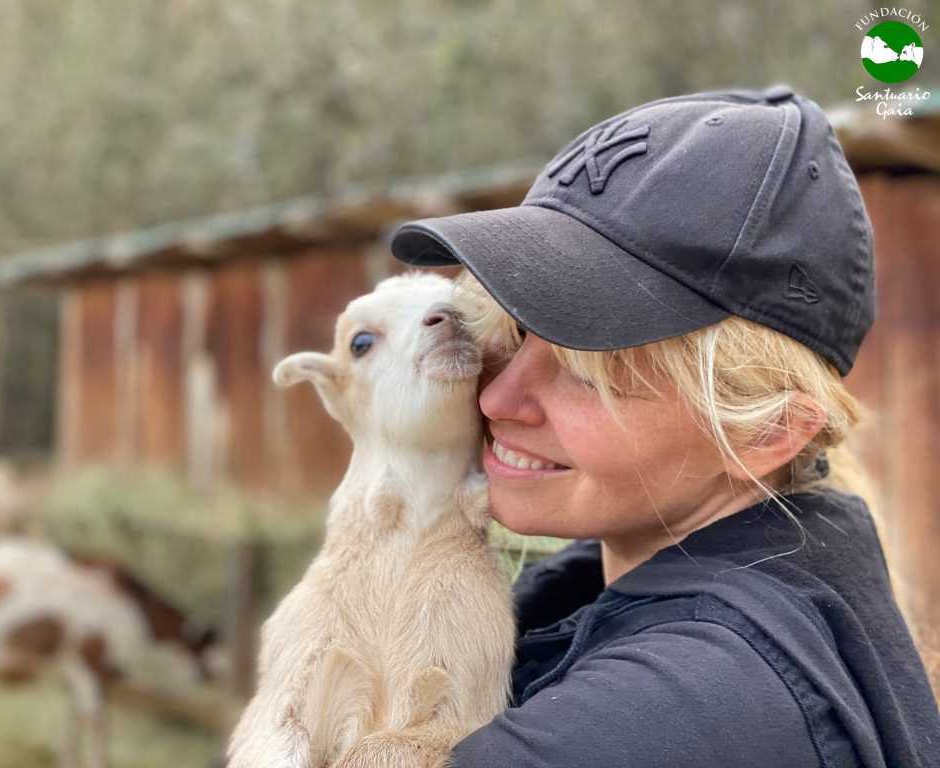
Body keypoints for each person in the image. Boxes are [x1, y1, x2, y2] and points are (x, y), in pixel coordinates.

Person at [390, 86, 940, 767]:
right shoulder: (622, 582)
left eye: (586, 369)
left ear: (768, 431)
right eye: (518, 327)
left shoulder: (672, 713)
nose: (501, 397)